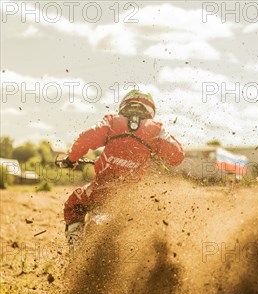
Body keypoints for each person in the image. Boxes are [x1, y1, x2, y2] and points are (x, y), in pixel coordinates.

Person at [61, 89, 185, 242]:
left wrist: (71, 159)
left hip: (101, 188)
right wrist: (156, 153)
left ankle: (75, 244)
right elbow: (178, 155)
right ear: (150, 109)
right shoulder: (156, 130)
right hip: (131, 196)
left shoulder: (113, 121)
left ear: (125, 104)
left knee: (73, 204)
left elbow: (86, 138)